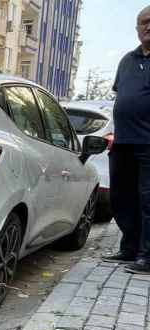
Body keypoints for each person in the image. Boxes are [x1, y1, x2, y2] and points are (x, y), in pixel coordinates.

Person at [104, 5, 150, 274]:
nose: (148, 26)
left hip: (148, 144)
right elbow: (123, 96)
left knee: (147, 201)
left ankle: (146, 256)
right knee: (122, 198)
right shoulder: (127, 60)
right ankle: (129, 248)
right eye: (143, 22)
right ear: (136, 29)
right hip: (124, 142)